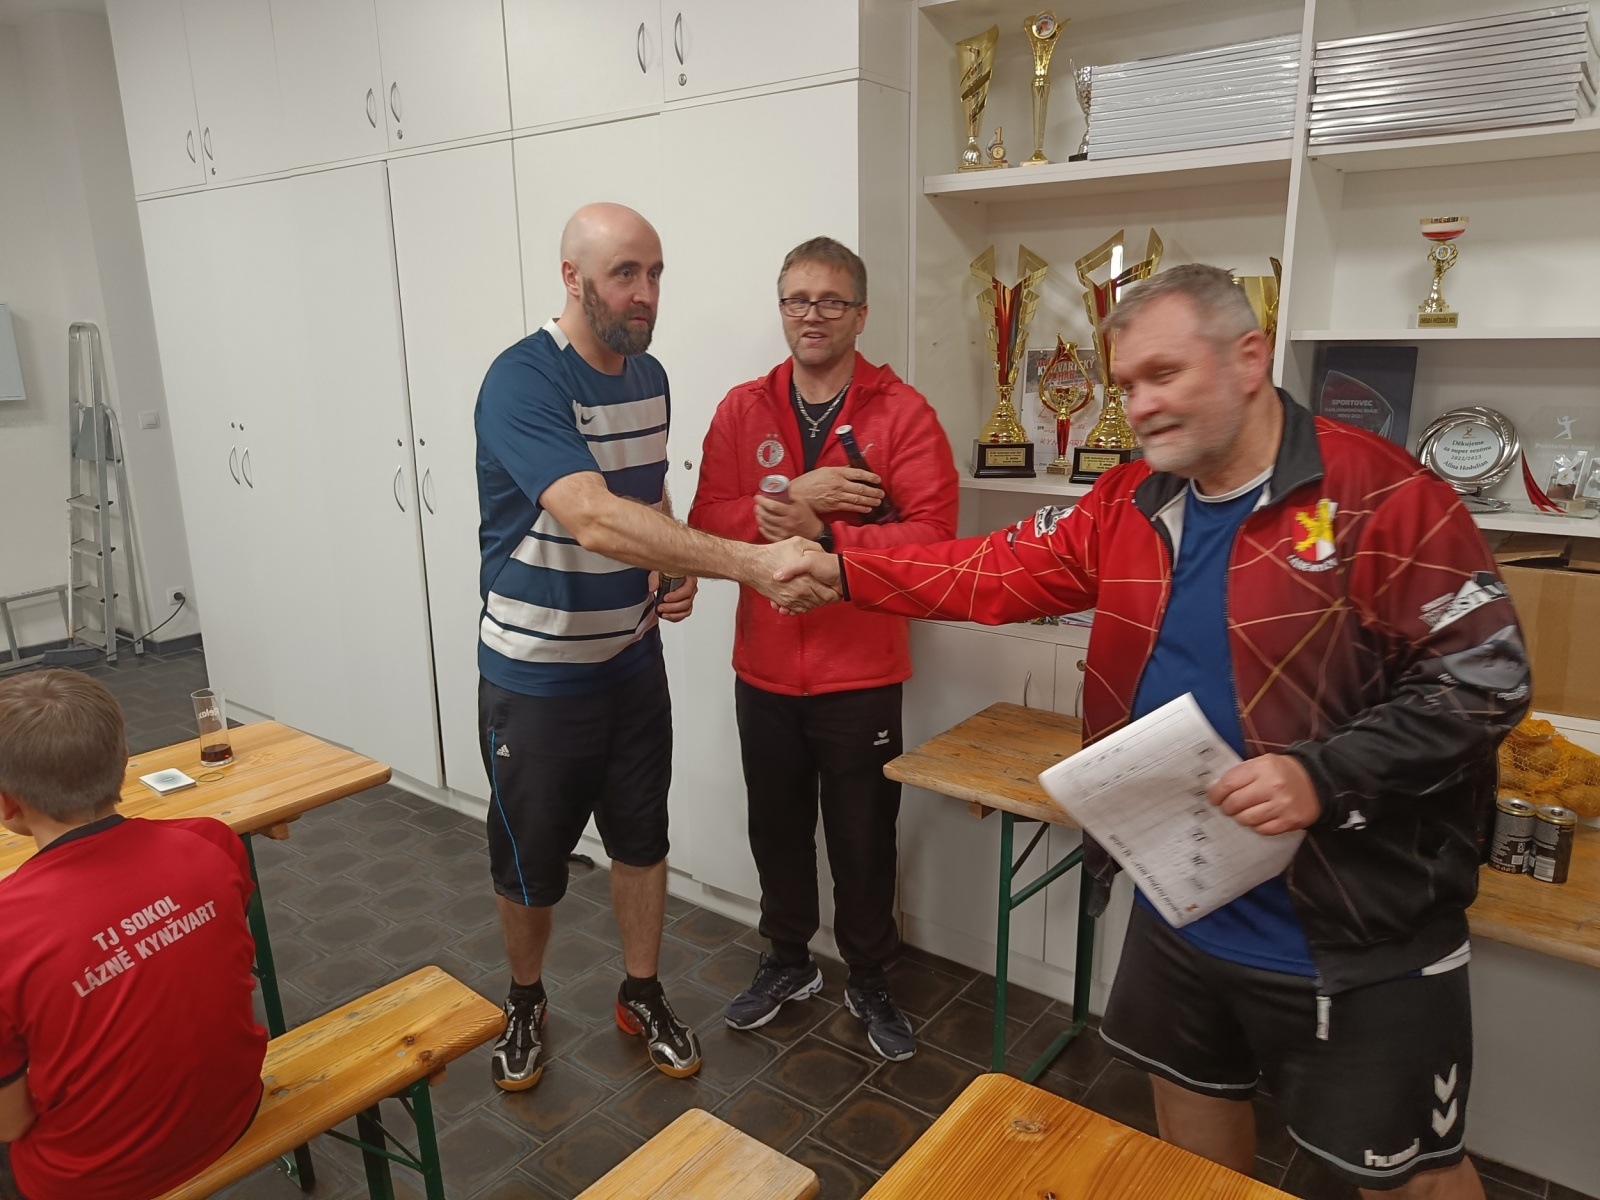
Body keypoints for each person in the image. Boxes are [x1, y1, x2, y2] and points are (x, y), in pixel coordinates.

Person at [779, 264, 1529, 1198]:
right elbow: (992, 571)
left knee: (1415, 1178)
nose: (1139, 406)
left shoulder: (1383, 493)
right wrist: (842, 569)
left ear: (1248, 358)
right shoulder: (1130, 498)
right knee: (1186, 1152)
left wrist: (1322, 774)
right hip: (1185, 899)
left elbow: (1485, 678)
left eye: (1165, 374)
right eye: (1127, 383)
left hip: (1359, 927)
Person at [474, 203, 835, 1093]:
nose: (645, 292)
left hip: (632, 665)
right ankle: (525, 999)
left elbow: (644, 501)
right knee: (530, 864)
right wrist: (749, 563)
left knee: (642, 840)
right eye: (624, 273)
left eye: (656, 272)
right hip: (538, 675)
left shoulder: (649, 376)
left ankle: (641, 992)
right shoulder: (522, 381)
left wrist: (674, 567)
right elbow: (593, 517)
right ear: (572, 278)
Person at [688, 237, 958, 1060]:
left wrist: (829, 537)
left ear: (860, 314)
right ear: (781, 309)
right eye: (797, 299)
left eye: (831, 301)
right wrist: (788, 500)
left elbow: (936, 542)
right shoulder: (742, 408)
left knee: (863, 837)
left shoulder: (902, 414)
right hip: (764, 671)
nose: (813, 315)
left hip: (860, 674)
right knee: (775, 828)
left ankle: (869, 975)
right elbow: (704, 523)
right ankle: (787, 960)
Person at [0, 671, 266, 1200]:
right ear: (123, 760)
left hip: (93, 1180)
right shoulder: (213, 843)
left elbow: (12, 1124)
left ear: (8, 804)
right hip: (233, 1110)